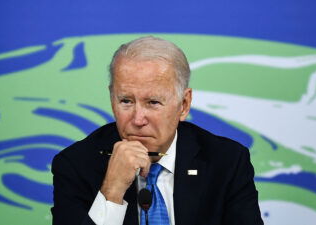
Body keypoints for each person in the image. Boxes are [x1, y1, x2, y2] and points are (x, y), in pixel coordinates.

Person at [51, 36, 263, 225]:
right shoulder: (76, 164)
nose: (137, 119)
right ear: (111, 98)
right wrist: (111, 191)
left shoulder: (226, 162)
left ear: (184, 104)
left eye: (152, 102)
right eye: (125, 101)